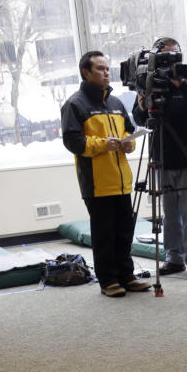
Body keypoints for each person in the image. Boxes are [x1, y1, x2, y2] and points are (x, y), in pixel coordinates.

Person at [61, 51, 149, 298]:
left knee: (124, 232)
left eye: (107, 68)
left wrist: (128, 143)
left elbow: (129, 132)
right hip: (97, 183)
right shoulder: (75, 104)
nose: (106, 73)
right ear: (86, 73)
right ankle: (108, 280)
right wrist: (102, 144)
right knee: (104, 235)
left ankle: (127, 276)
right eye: (100, 69)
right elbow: (73, 141)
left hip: (122, 182)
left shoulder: (116, 103)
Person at [132, 38, 187, 278]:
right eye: (167, 56)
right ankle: (174, 258)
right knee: (169, 214)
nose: (172, 61)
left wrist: (184, 84)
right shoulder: (150, 84)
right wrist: (141, 104)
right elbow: (140, 119)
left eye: (175, 55)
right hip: (162, 158)